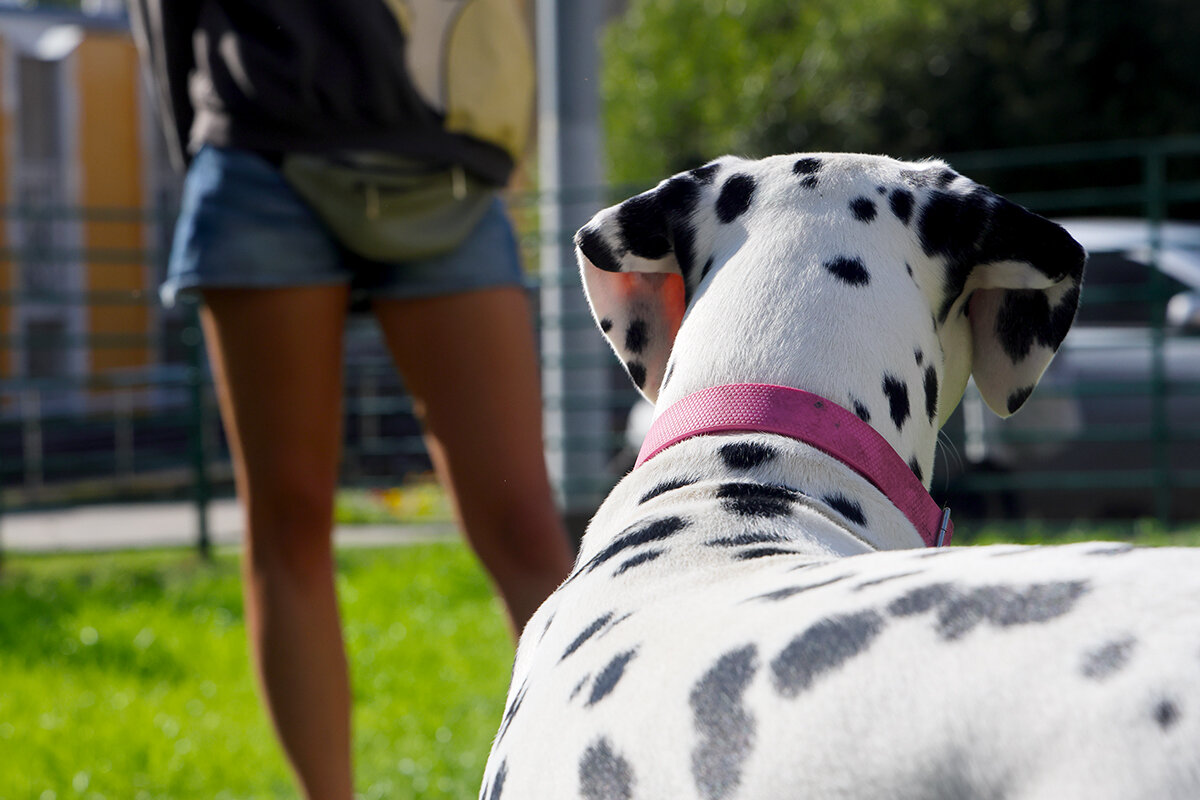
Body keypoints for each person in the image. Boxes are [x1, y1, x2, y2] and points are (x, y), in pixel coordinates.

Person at [128, 2, 575, 798]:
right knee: (290, 516)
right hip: (262, 144)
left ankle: (583, 778)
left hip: (446, 160)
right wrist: (205, 134)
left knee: (526, 527)